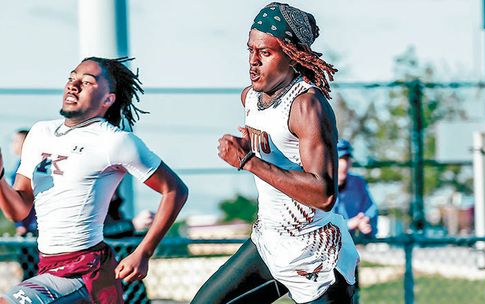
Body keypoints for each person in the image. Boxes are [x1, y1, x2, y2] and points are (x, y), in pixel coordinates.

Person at [192, 3, 358, 303]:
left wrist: (248, 161)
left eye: (265, 53)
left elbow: (324, 194)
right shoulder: (250, 99)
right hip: (268, 243)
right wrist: (250, 151)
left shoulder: (307, 106)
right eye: (250, 50)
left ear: (293, 57)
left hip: (314, 253)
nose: (253, 62)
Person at [0, 57, 189, 304]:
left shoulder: (115, 142)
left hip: (85, 271)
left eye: (86, 82)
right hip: (46, 266)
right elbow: (19, 210)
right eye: (71, 78)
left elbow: (175, 190)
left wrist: (143, 252)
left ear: (107, 99)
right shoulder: (39, 133)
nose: (73, 85)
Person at [332, 139, 378, 239]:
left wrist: (365, 221)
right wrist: (348, 225)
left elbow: (370, 210)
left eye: (347, 158)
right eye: (339, 159)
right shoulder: (317, 185)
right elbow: (318, 226)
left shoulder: (358, 183)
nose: (344, 164)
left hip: (353, 248)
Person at [8, 129, 38, 237]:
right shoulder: (20, 164)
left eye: (16, 141)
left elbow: (20, 197)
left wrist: (21, 224)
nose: (13, 145)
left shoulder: (27, 167)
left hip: (31, 227)